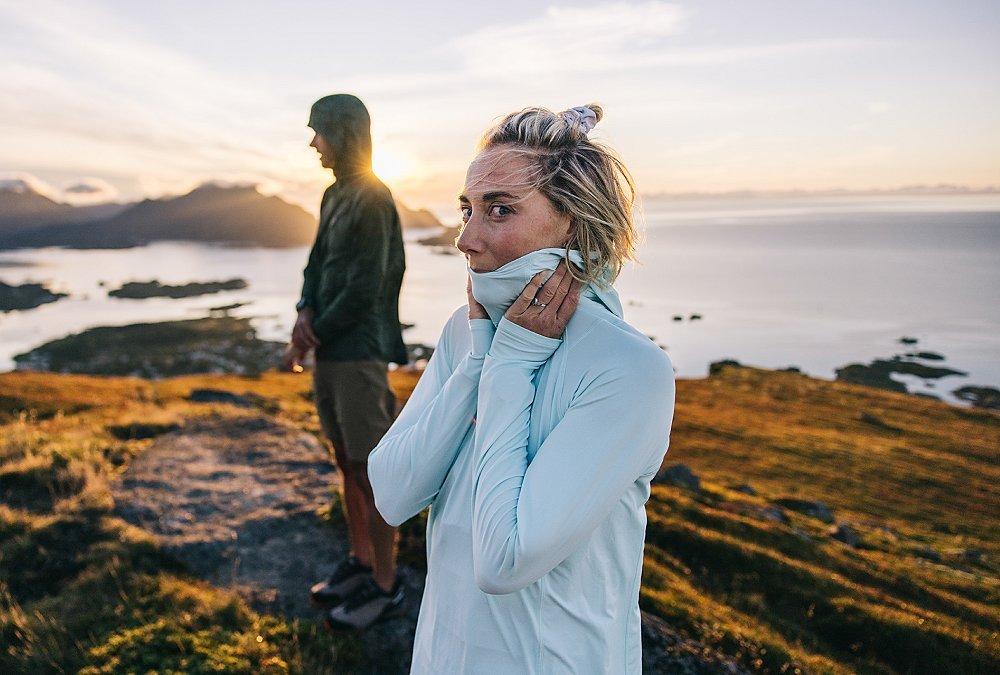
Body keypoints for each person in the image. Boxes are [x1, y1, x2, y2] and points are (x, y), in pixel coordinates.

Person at [366, 103, 676, 673]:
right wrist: (480, 362)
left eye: (499, 210)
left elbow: (504, 561)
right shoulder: (467, 332)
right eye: (467, 210)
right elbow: (391, 495)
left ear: (579, 221)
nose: (466, 239)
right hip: (443, 653)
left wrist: (510, 370)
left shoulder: (627, 368)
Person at [282, 93, 410, 631]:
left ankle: (386, 584)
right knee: (346, 463)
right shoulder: (334, 195)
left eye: (320, 132)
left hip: (358, 354)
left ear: (344, 133)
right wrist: (304, 310)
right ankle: (360, 562)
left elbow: (367, 286)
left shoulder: (374, 198)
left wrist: (314, 333)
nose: (313, 143)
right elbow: (316, 265)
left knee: (370, 470)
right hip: (332, 352)